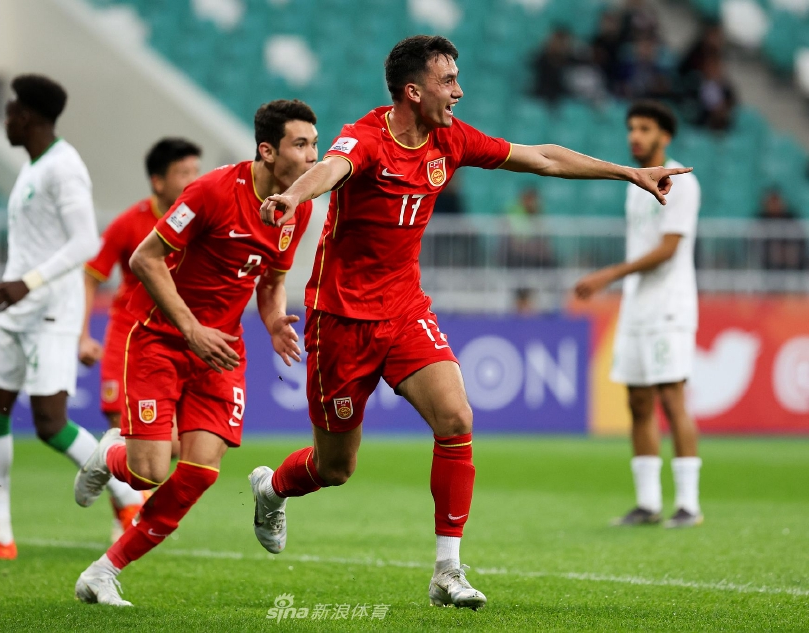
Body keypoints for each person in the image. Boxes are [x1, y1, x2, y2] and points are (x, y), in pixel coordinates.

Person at [250, 36, 691, 609]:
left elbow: (544, 156)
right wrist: (291, 197)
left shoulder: (450, 139)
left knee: (456, 416)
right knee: (335, 468)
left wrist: (627, 173)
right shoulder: (368, 138)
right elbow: (332, 169)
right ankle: (274, 488)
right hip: (341, 319)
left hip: (405, 310)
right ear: (414, 91)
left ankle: (447, 571)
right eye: (448, 81)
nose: (459, 91)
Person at [71, 100, 318, 606]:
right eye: (301, 144)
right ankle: (107, 453)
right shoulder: (210, 192)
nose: (313, 155)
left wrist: (273, 321)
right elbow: (145, 258)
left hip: (220, 351)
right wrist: (190, 327)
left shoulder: (299, 206)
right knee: (149, 470)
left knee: (201, 471)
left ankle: (104, 571)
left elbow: (271, 280)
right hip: (162, 340)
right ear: (268, 151)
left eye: (315, 143)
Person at [0, 74, 143, 561]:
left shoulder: (63, 168)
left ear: (27, 117)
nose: (6, 119)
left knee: (50, 423)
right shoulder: (33, 167)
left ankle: (126, 497)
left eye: (10, 111)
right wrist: (14, 286)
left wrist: (25, 283)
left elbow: (84, 244)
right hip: (15, 310)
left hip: (50, 311)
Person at [574, 101, 702, 529]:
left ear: (664, 137)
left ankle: (688, 503)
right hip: (636, 307)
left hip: (670, 306)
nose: (635, 136)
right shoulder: (635, 184)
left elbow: (668, 249)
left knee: (672, 398)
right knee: (638, 402)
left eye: (644, 129)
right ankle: (648, 504)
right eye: (631, 128)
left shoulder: (681, 181)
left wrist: (609, 274)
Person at [78, 138, 202, 540]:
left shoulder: (200, 219)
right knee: (133, 434)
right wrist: (82, 335)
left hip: (179, 340)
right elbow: (92, 275)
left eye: (195, 171)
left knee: (178, 444)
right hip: (130, 337)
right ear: (157, 181)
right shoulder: (129, 223)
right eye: (183, 173)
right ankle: (125, 520)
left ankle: (115, 481)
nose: (192, 180)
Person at [756, 188, 807, 271]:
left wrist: (786, 253)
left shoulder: (792, 219)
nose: (774, 205)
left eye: (776, 201)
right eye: (771, 202)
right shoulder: (759, 220)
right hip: (767, 266)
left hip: (791, 266)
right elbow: (753, 247)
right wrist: (774, 253)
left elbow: (800, 243)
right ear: (765, 203)